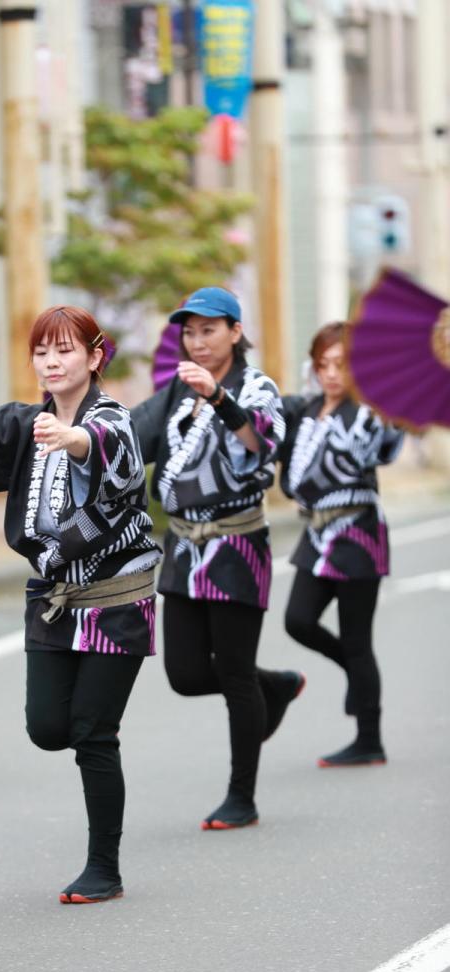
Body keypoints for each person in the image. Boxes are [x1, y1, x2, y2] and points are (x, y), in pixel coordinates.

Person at [0, 304, 159, 904]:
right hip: (52, 598)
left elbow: (110, 450)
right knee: (47, 728)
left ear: (96, 358)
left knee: (94, 732)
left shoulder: (112, 420)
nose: (50, 360)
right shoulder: (26, 424)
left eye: (65, 349)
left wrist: (74, 439)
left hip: (117, 598)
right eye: (41, 350)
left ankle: (105, 866)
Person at [131, 287, 302, 831]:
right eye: (190, 331)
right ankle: (271, 684)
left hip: (235, 547)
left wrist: (219, 399)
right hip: (183, 548)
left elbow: (259, 443)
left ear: (234, 331)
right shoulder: (175, 392)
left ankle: (242, 795)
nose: (198, 341)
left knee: (232, 672)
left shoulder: (257, 386)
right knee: (183, 674)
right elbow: (133, 436)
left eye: (209, 330)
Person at [280, 321, 403, 767]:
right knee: (297, 620)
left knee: (357, 638)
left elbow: (384, 445)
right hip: (317, 534)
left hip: (357, 534)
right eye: (323, 364)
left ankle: (369, 739)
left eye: (342, 364)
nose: (332, 373)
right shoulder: (307, 408)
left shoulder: (367, 411)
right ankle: (354, 672)